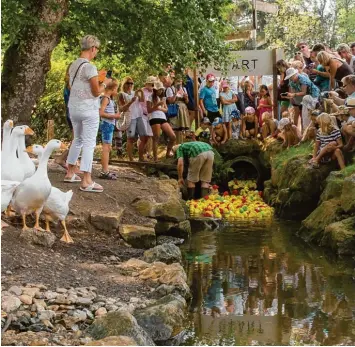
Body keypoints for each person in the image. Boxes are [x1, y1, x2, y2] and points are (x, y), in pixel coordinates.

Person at [65, 35, 111, 193]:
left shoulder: (73, 65)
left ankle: (70, 172)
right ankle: (86, 180)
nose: (96, 52)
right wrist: (106, 83)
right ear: (92, 48)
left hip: (74, 108)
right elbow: (96, 91)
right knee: (89, 143)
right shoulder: (90, 67)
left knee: (77, 139)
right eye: (97, 49)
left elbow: (73, 87)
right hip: (88, 110)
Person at [118, 76, 147, 162]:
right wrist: (131, 101)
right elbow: (122, 108)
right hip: (130, 117)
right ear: (124, 84)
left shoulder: (135, 92)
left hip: (139, 116)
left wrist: (141, 92)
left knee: (144, 137)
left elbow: (142, 101)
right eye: (128, 83)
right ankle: (131, 159)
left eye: (131, 83)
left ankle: (141, 157)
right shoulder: (122, 94)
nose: (130, 85)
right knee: (130, 138)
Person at [147, 81, 176, 161]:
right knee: (156, 138)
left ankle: (168, 153)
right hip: (154, 118)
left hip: (163, 118)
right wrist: (157, 106)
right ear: (155, 90)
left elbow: (166, 110)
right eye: (159, 89)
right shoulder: (150, 97)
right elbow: (149, 110)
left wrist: (159, 107)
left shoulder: (162, 98)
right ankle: (156, 159)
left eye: (161, 89)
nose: (161, 91)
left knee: (173, 136)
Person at [99, 79, 121, 179]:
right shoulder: (105, 98)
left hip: (109, 124)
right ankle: (104, 171)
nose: (117, 91)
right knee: (106, 148)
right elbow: (101, 113)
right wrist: (114, 116)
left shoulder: (108, 98)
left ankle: (106, 169)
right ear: (113, 88)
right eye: (117, 89)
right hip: (107, 124)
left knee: (108, 147)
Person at [166, 75, 190, 144]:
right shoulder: (170, 89)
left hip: (183, 109)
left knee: (181, 130)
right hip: (175, 109)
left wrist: (186, 98)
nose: (179, 83)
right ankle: (173, 146)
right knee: (174, 128)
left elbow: (187, 102)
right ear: (174, 81)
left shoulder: (184, 89)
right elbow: (171, 101)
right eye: (178, 81)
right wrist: (175, 93)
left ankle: (180, 145)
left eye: (181, 81)